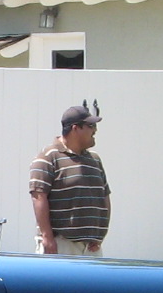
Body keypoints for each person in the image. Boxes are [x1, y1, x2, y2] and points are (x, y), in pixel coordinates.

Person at [29, 104, 110, 256]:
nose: (95, 130)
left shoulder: (95, 160)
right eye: (90, 125)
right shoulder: (48, 157)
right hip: (61, 245)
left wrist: (100, 234)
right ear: (75, 128)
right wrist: (47, 237)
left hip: (92, 248)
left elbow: (104, 196)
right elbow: (39, 197)